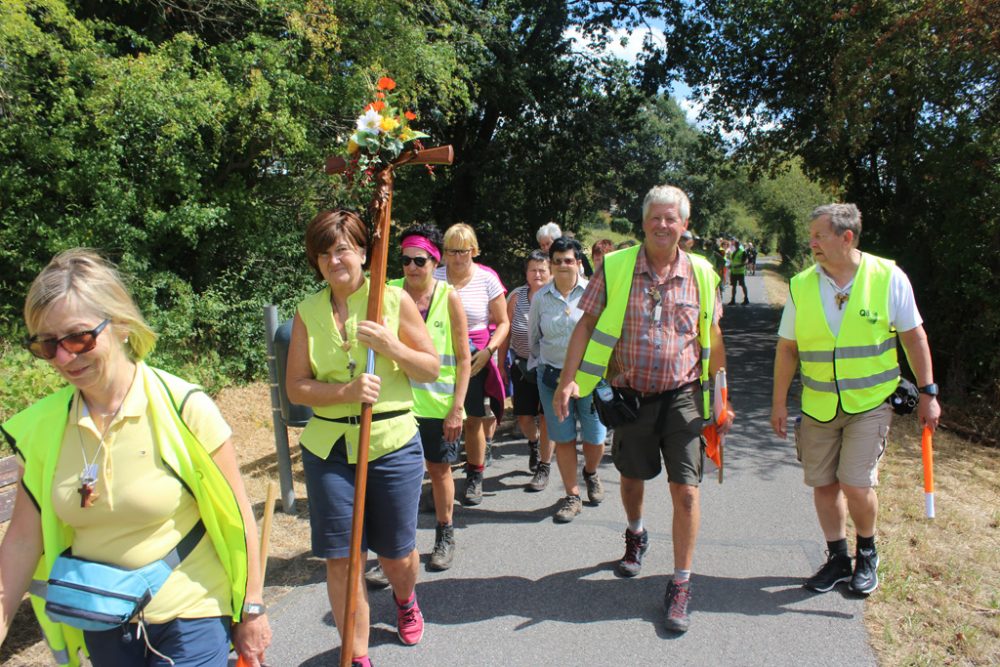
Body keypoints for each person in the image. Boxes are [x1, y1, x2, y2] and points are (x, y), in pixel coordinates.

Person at [0, 249, 271, 667]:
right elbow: (21, 540)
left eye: (78, 338)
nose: (63, 358)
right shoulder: (41, 430)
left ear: (122, 325)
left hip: (190, 612)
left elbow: (237, 517)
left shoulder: (184, 407)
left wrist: (251, 608)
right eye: (46, 344)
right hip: (101, 618)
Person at [553, 185, 733, 633]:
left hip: (685, 396)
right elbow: (587, 323)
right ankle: (636, 533)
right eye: (655, 216)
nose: (662, 224)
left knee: (686, 489)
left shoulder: (703, 272)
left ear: (684, 225)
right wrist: (568, 379)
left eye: (671, 218)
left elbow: (713, 337)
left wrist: (722, 399)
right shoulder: (614, 267)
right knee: (632, 479)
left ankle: (681, 583)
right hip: (630, 395)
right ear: (644, 221)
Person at [286, 210, 440, 664]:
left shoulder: (390, 300)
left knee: (396, 555)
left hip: (391, 444)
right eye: (323, 254)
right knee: (343, 558)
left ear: (361, 253)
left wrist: (392, 347)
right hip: (329, 449)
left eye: (343, 249)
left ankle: (406, 599)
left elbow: (430, 367)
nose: (334, 261)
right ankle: (355, 654)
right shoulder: (307, 312)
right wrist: (346, 392)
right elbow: (296, 386)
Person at [770, 203, 940, 596]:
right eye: (811, 235)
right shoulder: (801, 285)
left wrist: (929, 392)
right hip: (818, 405)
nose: (811, 242)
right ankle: (837, 558)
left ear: (846, 238)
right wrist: (778, 403)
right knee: (824, 484)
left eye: (819, 235)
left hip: (871, 403)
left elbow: (914, 337)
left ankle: (868, 553)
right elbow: (787, 349)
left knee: (856, 482)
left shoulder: (887, 277)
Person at [390, 224, 471, 571]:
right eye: (405, 260)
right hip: (396, 406)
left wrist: (457, 408)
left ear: (434, 261)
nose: (411, 268)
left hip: (438, 407)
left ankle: (444, 533)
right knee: (396, 476)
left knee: (439, 472)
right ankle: (395, 547)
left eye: (419, 260)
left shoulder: (448, 296)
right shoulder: (389, 291)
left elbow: (464, 357)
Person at [529, 238, 607, 522]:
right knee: (563, 438)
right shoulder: (540, 297)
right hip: (551, 376)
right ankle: (572, 496)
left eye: (569, 260)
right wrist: (540, 362)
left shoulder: (594, 293)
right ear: (551, 263)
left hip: (590, 378)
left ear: (579, 263)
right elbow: (534, 338)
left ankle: (591, 473)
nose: (563, 265)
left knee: (596, 437)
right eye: (558, 260)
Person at [434, 223, 510, 506]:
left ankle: (475, 475)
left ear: (473, 251)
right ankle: (441, 472)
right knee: (440, 415)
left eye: (463, 251)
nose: (457, 258)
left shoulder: (487, 278)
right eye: (451, 251)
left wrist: (489, 351)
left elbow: (503, 323)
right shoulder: (435, 276)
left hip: (476, 355)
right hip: (440, 355)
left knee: (474, 417)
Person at [498, 250, 552, 479]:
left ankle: (544, 465)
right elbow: (506, 331)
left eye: (542, 270)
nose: (537, 274)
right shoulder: (517, 297)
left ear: (550, 272)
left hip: (550, 366)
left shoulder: (555, 296)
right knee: (524, 416)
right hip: (522, 365)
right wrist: (501, 365)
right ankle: (534, 443)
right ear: (526, 272)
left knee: (547, 417)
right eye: (533, 269)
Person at [729, 240, 749, 305]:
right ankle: (733, 300)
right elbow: (733, 261)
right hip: (733, 271)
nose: (736, 245)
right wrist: (730, 265)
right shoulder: (733, 252)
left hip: (740, 272)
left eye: (737, 244)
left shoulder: (742, 252)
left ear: (739, 244)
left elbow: (746, 261)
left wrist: (739, 266)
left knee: (743, 285)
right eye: (735, 244)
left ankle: (746, 299)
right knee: (733, 286)